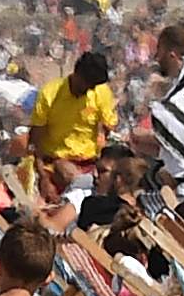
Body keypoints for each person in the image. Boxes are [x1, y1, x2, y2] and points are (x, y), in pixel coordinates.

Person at [24, 49, 118, 194]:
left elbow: (107, 127)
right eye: (87, 84)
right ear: (76, 72)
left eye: (92, 86)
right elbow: (35, 141)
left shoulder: (101, 92)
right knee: (73, 177)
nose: (88, 89)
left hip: (91, 162)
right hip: (59, 162)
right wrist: (44, 178)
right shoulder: (50, 94)